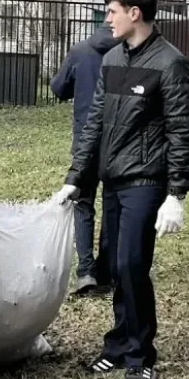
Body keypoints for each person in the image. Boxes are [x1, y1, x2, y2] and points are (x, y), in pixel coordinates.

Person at [51, 0, 189, 379]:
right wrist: (76, 177)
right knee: (115, 265)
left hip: (146, 180)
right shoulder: (113, 58)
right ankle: (118, 344)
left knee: (133, 263)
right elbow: (95, 122)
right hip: (113, 179)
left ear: (135, 13)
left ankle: (140, 354)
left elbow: (183, 131)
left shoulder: (170, 63)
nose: (107, 19)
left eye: (112, 11)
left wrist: (176, 193)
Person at [50, 23, 120, 295]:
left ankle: (86, 271)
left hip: (85, 140)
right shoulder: (128, 52)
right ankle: (108, 270)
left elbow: (59, 88)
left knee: (83, 203)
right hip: (118, 140)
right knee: (113, 204)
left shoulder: (80, 51)